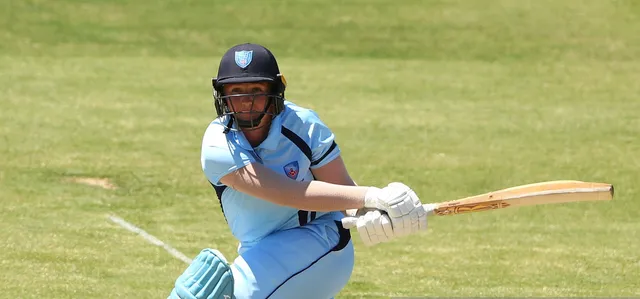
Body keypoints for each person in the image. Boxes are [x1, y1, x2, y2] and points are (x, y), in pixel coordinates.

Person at [168, 43, 433, 299]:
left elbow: (345, 192)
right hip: (260, 248)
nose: (246, 101)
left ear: (274, 92)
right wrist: (372, 196)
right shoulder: (218, 143)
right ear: (223, 95)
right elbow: (286, 193)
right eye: (236, 91)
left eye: (257, 90)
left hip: (320, 240)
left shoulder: (304, 126)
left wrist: (370, 212)